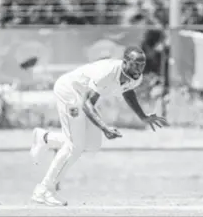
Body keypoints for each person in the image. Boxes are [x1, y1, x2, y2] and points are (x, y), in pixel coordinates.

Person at [30, 46, 168, 206]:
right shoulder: (107, 72)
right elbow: (86, 103)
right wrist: (105, 128)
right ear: (125, 62)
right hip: (69, 91)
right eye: (136, 64)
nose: (139, 68)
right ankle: (44, 190)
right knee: (75, 146)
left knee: (92, 145)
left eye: (142, 64)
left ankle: (45, 138)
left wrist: (143, 116)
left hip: (82, 98)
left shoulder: (136, 77)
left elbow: (127, 91)